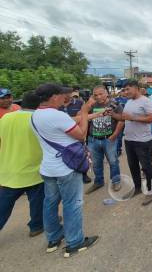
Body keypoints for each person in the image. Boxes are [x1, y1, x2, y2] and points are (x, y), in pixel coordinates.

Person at [32, 84, 98, 257]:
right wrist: (84, 111)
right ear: (54, 97)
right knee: (72, 204)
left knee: (50, 203)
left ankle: (53, 238)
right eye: (62, 95)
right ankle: (75, 242)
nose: (65, 98)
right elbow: (82, 134)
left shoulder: (35, 115)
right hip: (66, 168)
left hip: (48, 168)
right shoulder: (57, 115)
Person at [0, 91, 44, 237]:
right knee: (37, 200)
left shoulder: (6, 118)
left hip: (8, 170)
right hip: (32, 170)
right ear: (39, 105)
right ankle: (36, 226)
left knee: (3, 206)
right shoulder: (37, 119)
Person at [111, 80, 152, 205]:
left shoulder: (146, 101)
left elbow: (151, 118)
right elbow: (124, 118)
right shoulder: (129, 102)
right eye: (124, 90)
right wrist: (112, 114)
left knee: (146, 167)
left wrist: (132, 118)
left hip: (142, 141)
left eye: (128, 89)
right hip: (129, 140)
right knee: (133, 166)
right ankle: (137, 188)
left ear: (136, 88)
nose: (125, 92)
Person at [84, 86, 124, 194]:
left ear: (106, 93)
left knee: (113, 161)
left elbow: (121, 120)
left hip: (109, 139)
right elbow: (82, 117)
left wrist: (115, 135)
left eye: (100, 94)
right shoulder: (91, 105)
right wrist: (88, 104)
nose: (98, 97)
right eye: (95, 95)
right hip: (93, 139)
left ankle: (116, 181)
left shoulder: (114, 104)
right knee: (96, 163)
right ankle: (98, 181)